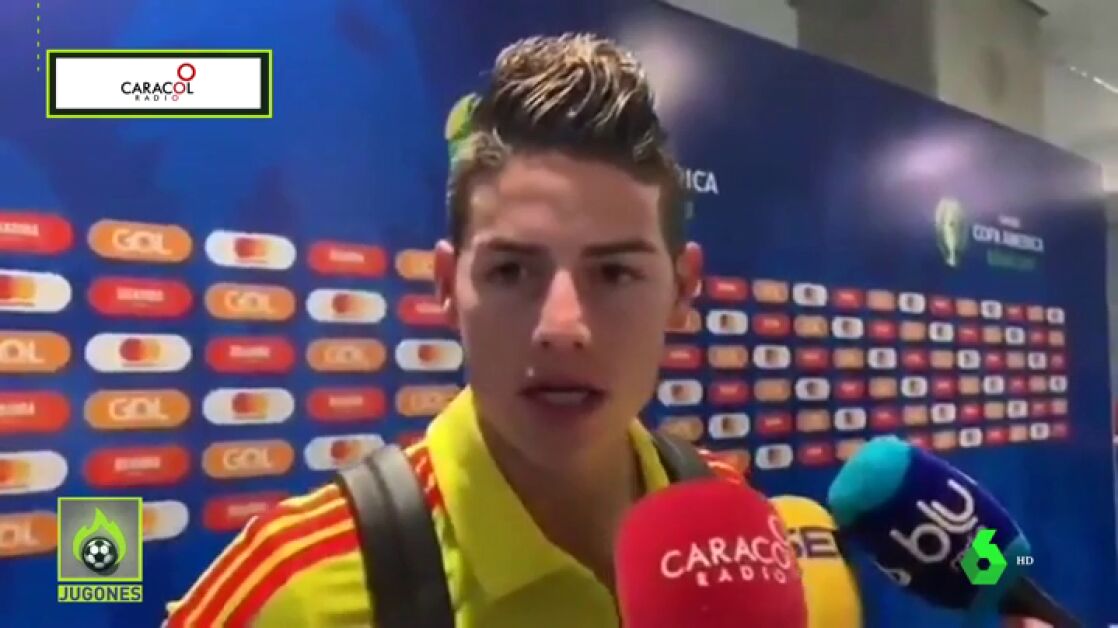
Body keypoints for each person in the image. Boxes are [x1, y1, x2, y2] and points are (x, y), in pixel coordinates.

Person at [163, 32, 744, 628]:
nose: (561, 327)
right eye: (511, 271)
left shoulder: (734, 522)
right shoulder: (294, 585)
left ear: (682, 290)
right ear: (446, 285)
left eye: (615, 273)